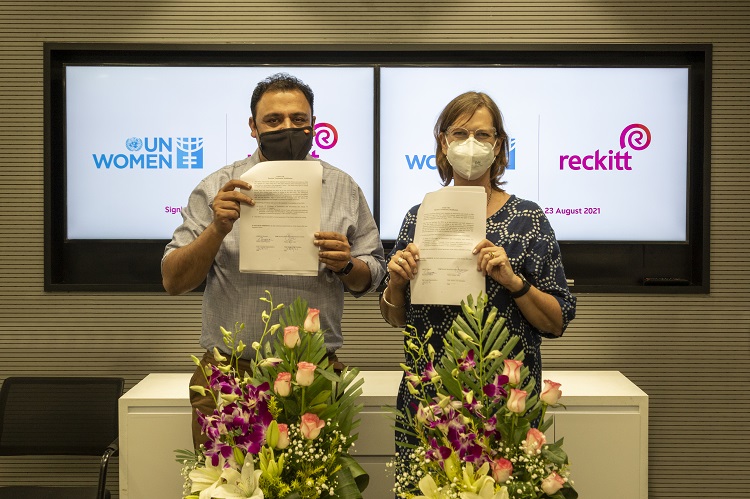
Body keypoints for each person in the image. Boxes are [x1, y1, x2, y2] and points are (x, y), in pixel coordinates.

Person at [162, 73, 386, 448]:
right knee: (225, 479)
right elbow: (173, 280)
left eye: (298, 119)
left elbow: (373, 275)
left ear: (313, 124)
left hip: (313, 375)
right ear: (253, 127)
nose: (287, 128)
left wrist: (347, 264)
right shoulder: (218, 187)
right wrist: (217, 228)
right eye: (273, 120)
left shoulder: (343, 188)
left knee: (314, 480)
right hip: (231, 375)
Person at [379, 91, 576, 493]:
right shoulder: (418, 216)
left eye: (483, 135)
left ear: (499, 145)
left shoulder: (527, 218)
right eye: (460, 133)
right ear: (443, 142)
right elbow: (396, 318)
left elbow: (556, 322)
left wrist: (514, 282)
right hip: (429, 399)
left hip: (503, 402)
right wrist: (396, 283)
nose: (471, 144)